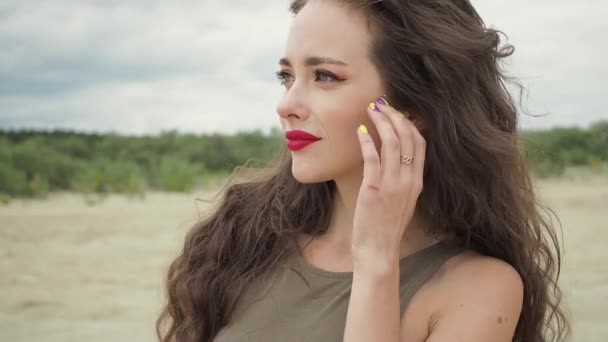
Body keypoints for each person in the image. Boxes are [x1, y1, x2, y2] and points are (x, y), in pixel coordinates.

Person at [156, 0, 570, 341]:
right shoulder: (243, 239)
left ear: (415, 104)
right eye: (286, 76)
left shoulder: (479, 289)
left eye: (324, 76)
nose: (287, 105)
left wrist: (375, 262)